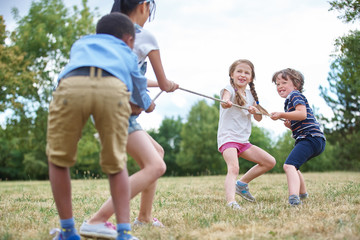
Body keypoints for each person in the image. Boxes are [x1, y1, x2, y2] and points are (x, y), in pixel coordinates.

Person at [47, 12, 155, 240]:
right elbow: (138, 84)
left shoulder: (81, 43)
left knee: (58, 159)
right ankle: (124, 234)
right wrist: (148, 105)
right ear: (128, 39)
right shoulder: (126, 50)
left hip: (71, 86)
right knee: (116, 163)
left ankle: (67, 231)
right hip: (111, 88)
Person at [79, 0, 179, 238]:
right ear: (144, 6)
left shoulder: (106, 37)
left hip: (100, 106)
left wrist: (151, 91)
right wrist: (166, 86)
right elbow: (162, 83)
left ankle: (144, 218)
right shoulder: (143, 36)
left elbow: (134, 77)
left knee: (157, 152)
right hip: (118, 109)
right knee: (156, 166)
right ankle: (97, 219)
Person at [217, 59, 276, 210]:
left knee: (269, 162)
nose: (242, 75)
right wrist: (226, 102)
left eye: (246, 73)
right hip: (228, 138)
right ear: (232, 74)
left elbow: (258, 118)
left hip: (243, 141)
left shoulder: (251, 95)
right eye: (239, 71)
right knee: (234, 168)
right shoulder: (228, 89)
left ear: (251, 77)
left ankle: (241, 184)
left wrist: (255, 111)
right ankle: (231, 202)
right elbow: (224, 100)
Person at [270, 68, 326, 206]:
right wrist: (291, 125)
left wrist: (282, 115)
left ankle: (294, 198)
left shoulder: (295, 95)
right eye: (277, 84)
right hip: (313, 139)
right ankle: (303, 194)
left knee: (289, 166)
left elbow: (302, 114)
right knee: (294, 166)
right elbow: (300, 119)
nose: (280, 86)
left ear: (296, 85)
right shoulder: (290, 100)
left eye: (284, 82)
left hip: (310, 138)